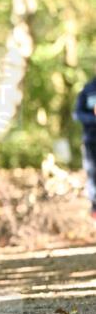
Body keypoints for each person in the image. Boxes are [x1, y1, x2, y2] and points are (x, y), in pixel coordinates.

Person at [73, 75, 96, 220]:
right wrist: (93, 119)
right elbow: (77, 114)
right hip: (92, 140)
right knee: (93, 173)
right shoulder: (88, 90)